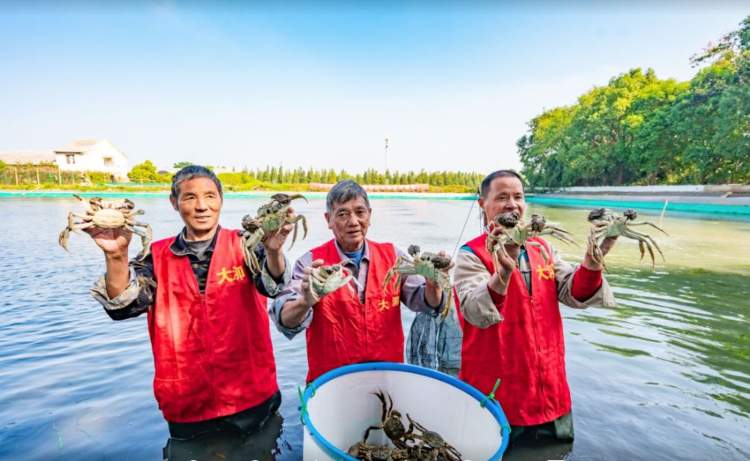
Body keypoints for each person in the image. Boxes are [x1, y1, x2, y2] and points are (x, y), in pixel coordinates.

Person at [89, 165, 292, 443]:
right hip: (186, 401)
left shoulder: (247, 244)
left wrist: (274, 251)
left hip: (251, 393)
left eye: (210, 196)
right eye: (189, 197)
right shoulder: (154, 256)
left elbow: (273, 285)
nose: (201, 206)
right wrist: (116, 256)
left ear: (221, 200)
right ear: (174, 203)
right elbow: (124, 308)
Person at [454, 170, 617, 445]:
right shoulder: (471, 255)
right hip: (498, 397)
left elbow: (574, 293)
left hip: (551, 393)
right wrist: (503, 273)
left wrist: (593, 258)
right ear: (482, 204)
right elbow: (474, 311)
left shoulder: (543, 248)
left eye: (518, 197)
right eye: (502, 197)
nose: (512, 204)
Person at [270, 180, 448, 383]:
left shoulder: (393, 257)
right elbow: (284, 320)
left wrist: (434, 284)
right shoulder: (311, 263)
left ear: (369, 215)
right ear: (328, 219)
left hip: (387, 380)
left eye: (360, 212)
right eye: (342, 214)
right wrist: (305, 301)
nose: (353, 221)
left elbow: (428, 303)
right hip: (331, 384)